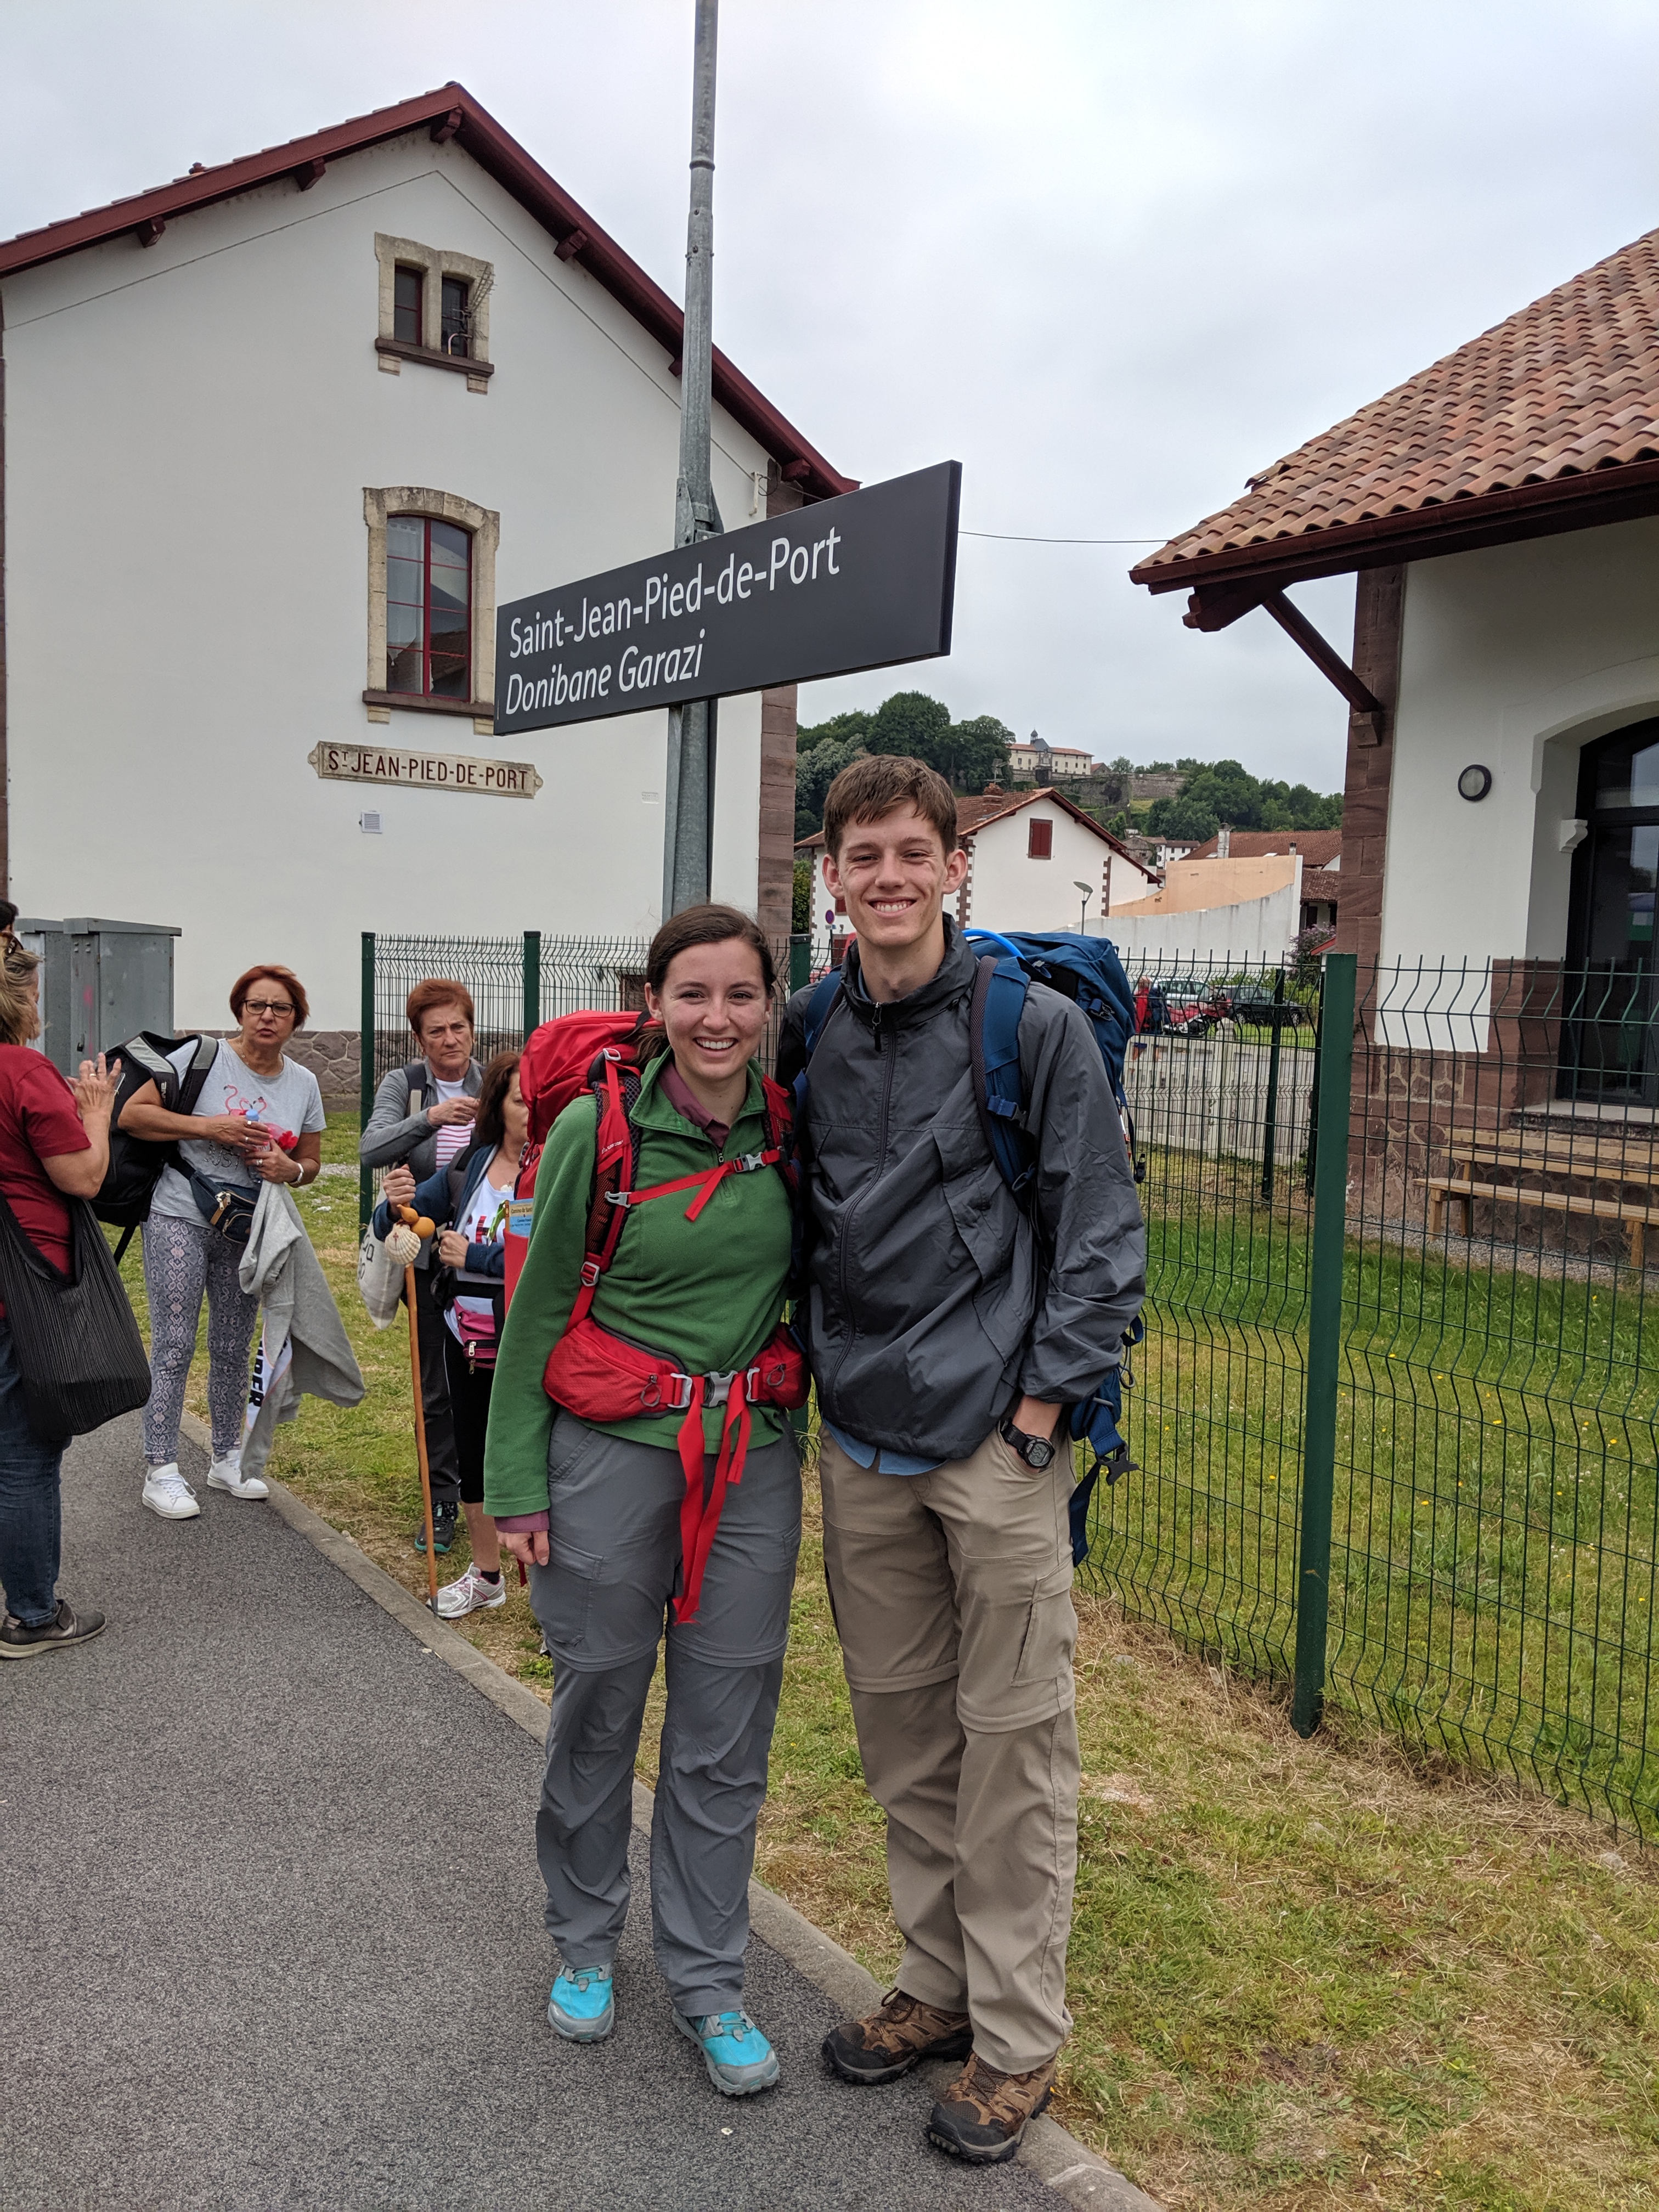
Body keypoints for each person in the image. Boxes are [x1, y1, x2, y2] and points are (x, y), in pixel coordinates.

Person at [777, 755, 1146, 2166]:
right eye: (862, 855)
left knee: (1015, 1745)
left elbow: (1100, 1235)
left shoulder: (1027, 1028)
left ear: (954, 867)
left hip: (999, 1441)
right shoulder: (813, 1025)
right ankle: (935, 1986)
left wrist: (1042, 1415)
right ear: (831, 876)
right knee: (905, 1737)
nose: (888, 877)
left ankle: (1017, 2040)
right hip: (862, 1437)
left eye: (910, 853)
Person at [486, 906, 800, 2099]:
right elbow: (535, 1308)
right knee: (599, 1709)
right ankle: (582, 1938)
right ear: (654, 1004)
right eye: (693, 994)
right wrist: (514, 1487)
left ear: (768, 1004)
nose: (717, 1019)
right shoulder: (595, 1128)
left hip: (748, 1463)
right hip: (607, 1462)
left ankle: (708, 1979)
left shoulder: (790, 1128)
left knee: (725, 1732)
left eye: (739, 995)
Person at [120, 964, 325, 1520]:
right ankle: (161, 1468)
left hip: (247, 1225)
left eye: (280, 1008)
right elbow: (134, 1115)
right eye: (256, 1005)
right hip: (180, 1213)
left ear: (296, 1019)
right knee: (174, 1342)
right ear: (240, 1011)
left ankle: (227, 1457)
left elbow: (310, 1162)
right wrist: (211, 1127)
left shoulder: (303, 1084)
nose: (267, 1016)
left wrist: (289, 1169)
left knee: (234, 1345)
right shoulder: (202, 1056)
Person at [376, 1050, 523, 1619]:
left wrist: (477, 1257)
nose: (532, 1110)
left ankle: (553, 1597)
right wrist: (395, 1205)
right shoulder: (473, 1163)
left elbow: (550, 1257)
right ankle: (487, 1576)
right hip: (467, 1339)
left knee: (539, 1462)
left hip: (529, 1341)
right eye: (520, 1100)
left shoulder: (553, 1167)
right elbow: (411, 1215)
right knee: (473, 1453)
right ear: (497, 1107)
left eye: (541, 1099)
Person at [0, 938, 116, 1655]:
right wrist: (96, 1111)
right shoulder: (22, 1070)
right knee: (24, 1456)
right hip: (22, 1293)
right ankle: (34, 1617)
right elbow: (83, 1178)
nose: (39, 1007)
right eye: (35, 994)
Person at [360, 981, 483, 1555]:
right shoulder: (406, 1086)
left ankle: (492, 1491)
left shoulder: (494, 1082)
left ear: (472, 1030)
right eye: (436, 1031)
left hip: (487, 1256)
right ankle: (442, 1498)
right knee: (438, 1385)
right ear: (419, 1039)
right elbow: (370, 1149)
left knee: (489, 1377)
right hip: (428, 1257)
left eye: (458, 1027)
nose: (450, 1039)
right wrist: (432, 1117)